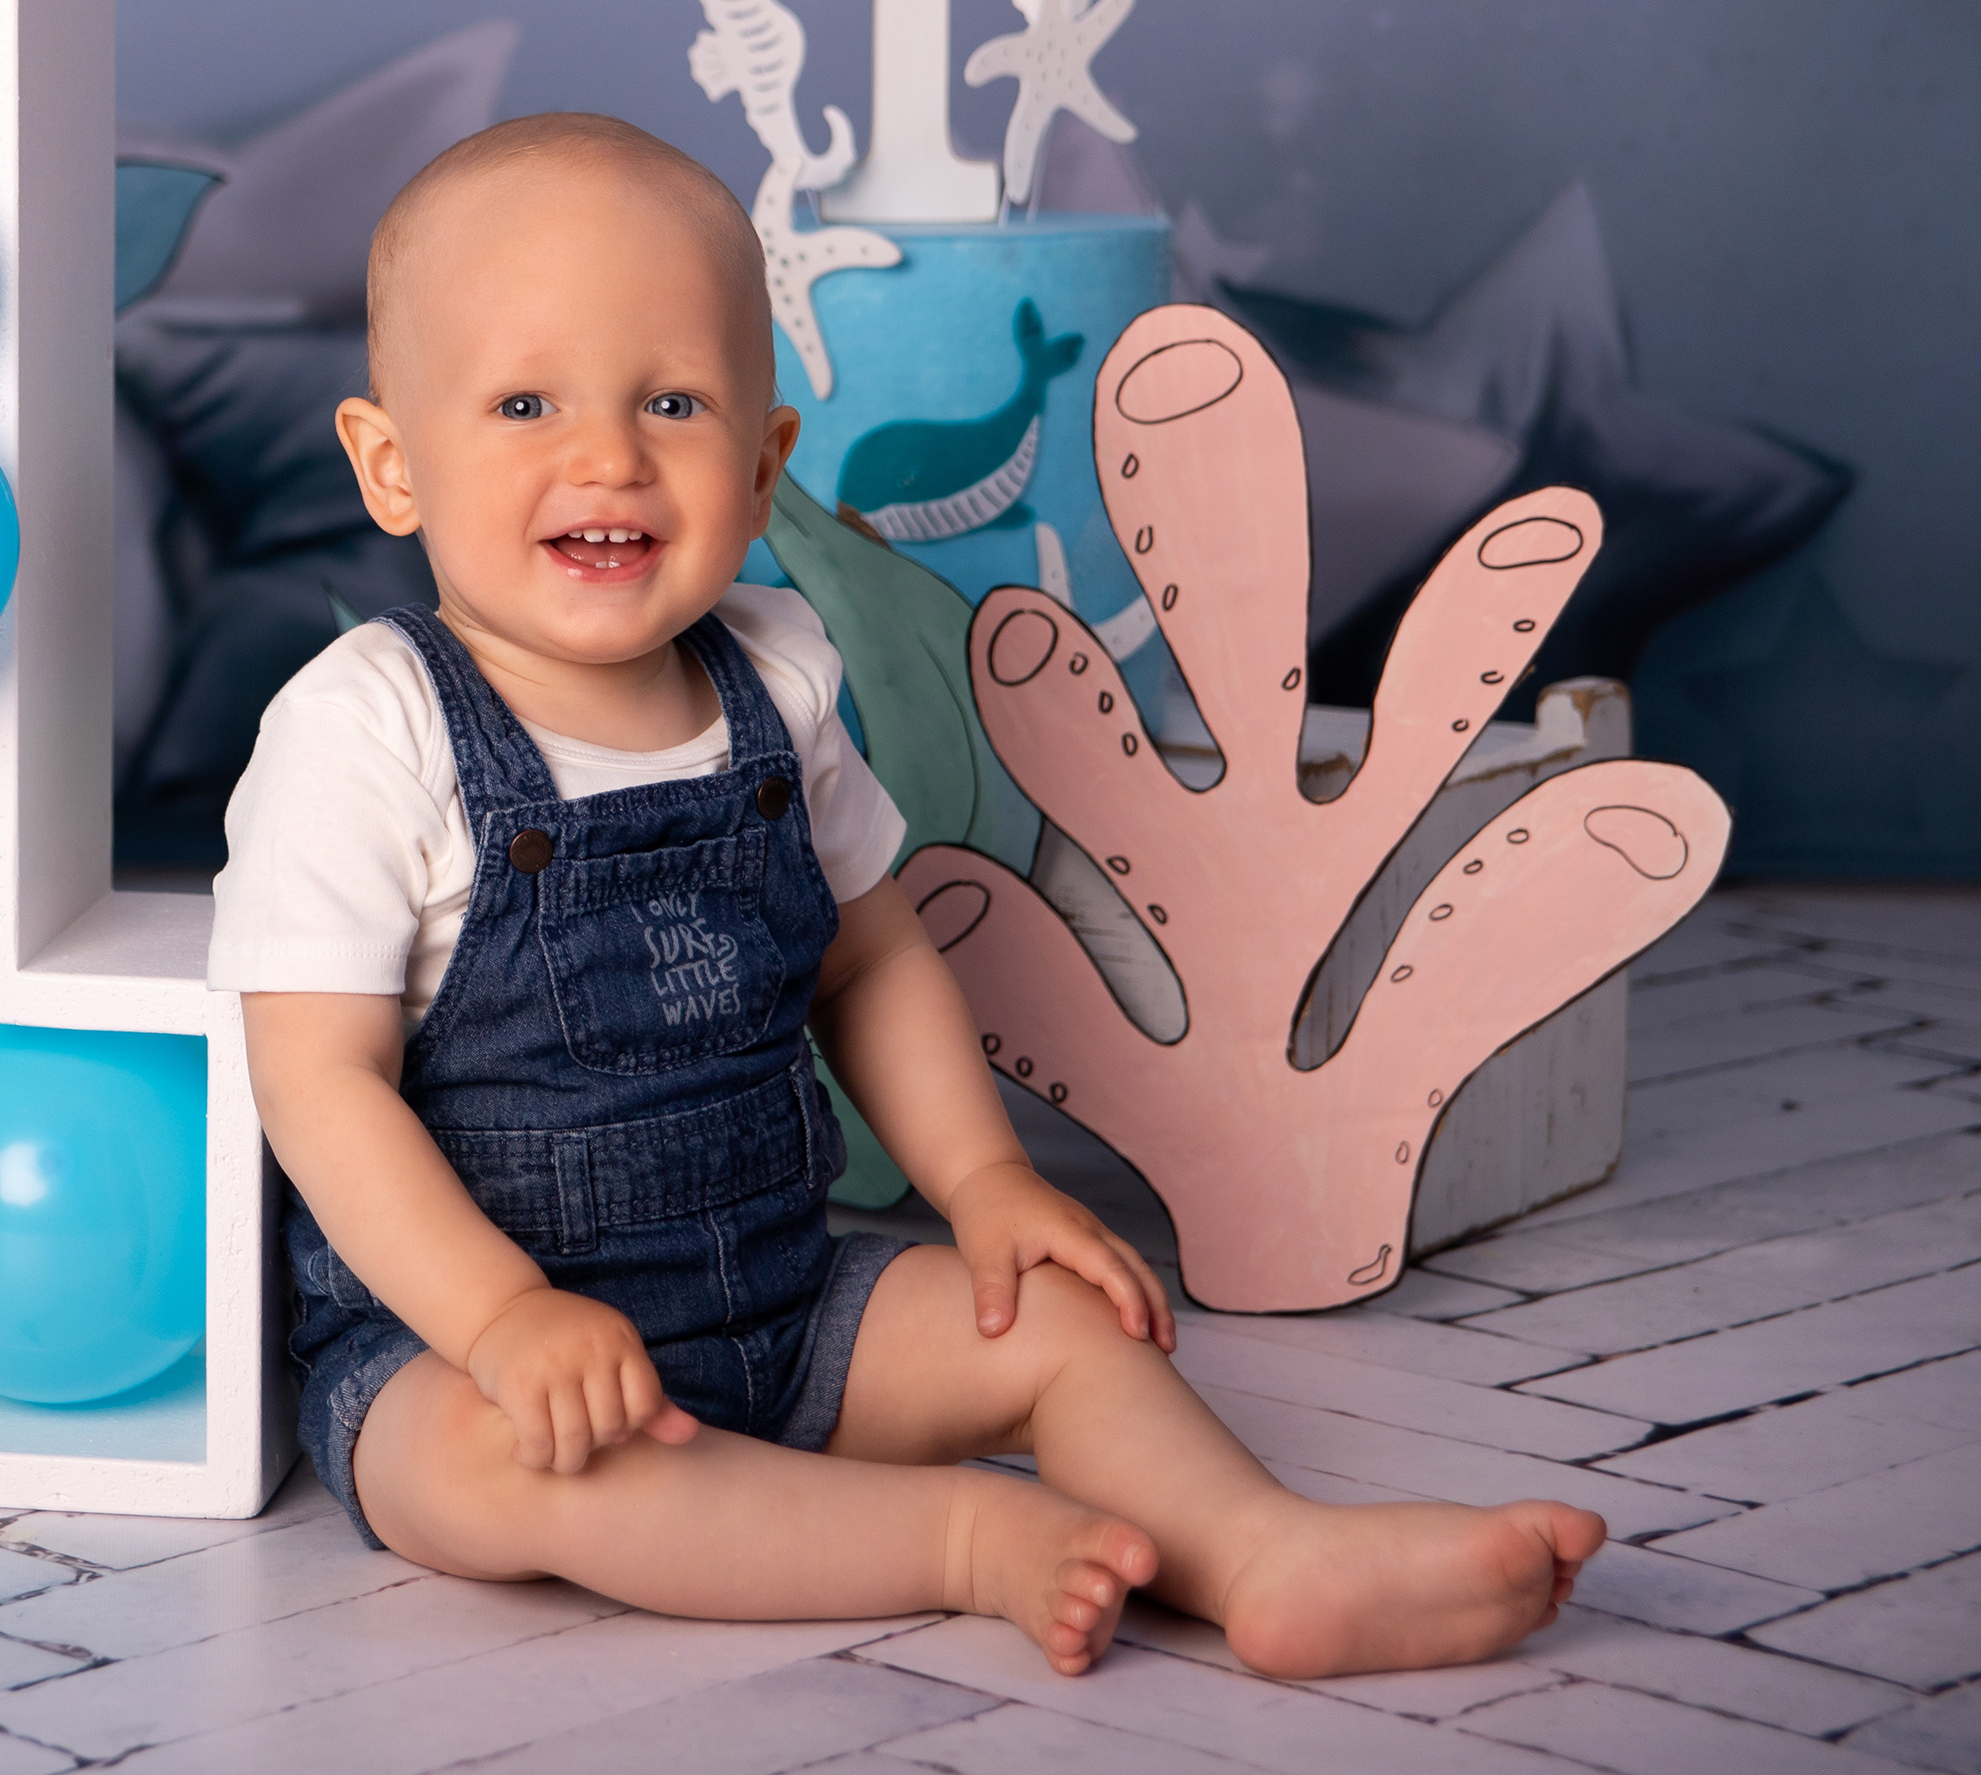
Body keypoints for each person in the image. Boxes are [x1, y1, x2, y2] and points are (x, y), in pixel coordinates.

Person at [209, 112, 1602, 1675]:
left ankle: (1265, 1552)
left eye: (671, 401)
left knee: (1066, 1327)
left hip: (786, 1299)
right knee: (497, 1476)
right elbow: (320, 1085)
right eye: (526, 402)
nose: (607, 456)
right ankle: (961, 1538)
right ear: (392, 464)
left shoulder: (777, 681)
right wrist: (498, 1317)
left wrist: (983, 1181)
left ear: (761, 468)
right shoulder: (369, 729)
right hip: (459, 1350)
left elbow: (871, 963)